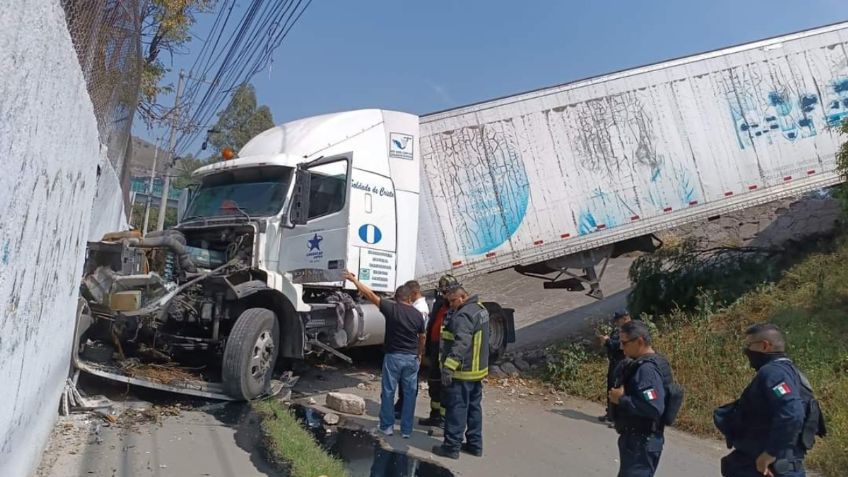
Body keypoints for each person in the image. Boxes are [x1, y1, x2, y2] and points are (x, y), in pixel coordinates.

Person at [715, 323, 812, 477]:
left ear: (765, 346)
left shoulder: (773, 373)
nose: (747, 351)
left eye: (750, 345)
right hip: (784, 465)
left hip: (767, 467)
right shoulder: (792, 372)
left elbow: (793, 413)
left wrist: (770, 454)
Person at [343, 271, 425, 438]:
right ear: (409, 298)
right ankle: (406, 430)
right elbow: (422, 336)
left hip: (394, 357)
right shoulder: (418, 314)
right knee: (409, 394)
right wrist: (419, 354)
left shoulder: (391, 309)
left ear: (396, 297)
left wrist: (353, 280)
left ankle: (386, 427)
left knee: (388, 391)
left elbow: (369, 294)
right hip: (411, 358)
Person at [432, 286, 489, 460]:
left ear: (462, 297)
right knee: (473, 408)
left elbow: (461, 343)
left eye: (452, 301)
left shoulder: (463, 315)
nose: (450, 305)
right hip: (477, 371)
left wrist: (449, 367)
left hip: (463, 372)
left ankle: (451, 447)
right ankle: (474, 444)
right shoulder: (480, 309)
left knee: (456, 409)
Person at [609, 321, 671, 477]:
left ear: (639, 341)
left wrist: (621, 399)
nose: (621, 347)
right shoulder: (648, 364)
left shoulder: (647, 371)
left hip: (641, 442)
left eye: (624, 343)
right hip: (639, 441)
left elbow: (654, 407)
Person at [418, 275, 460, 428]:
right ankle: (435, 415)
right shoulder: (439, 304)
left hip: (446, 350)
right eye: (443, 292)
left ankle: (443, 420)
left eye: (447, 292)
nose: (445, 295)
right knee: (434, 382)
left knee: (445, 386)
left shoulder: (457, 307)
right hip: (435, 347)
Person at [394, 280, 430, 419]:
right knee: (404, 381)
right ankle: (401, 405)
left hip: (411, 349)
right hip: (409, 348)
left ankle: (405, 409)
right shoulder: (416, 306)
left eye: (409, 295)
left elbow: (419, 332)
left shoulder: (420, 309)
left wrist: (418, 352)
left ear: (414, 293)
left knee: (409, 382)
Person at [599, 310, 632, 423]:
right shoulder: (620, 330)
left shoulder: (630, 330)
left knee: (617, 388)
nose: (617, 323)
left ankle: (617, 416)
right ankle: (610, 414)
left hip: (621, 362)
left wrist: (608, 341)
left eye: (618, 320)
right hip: (614, 361)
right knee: (611, 387)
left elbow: (620, 346)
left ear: (624, 318)